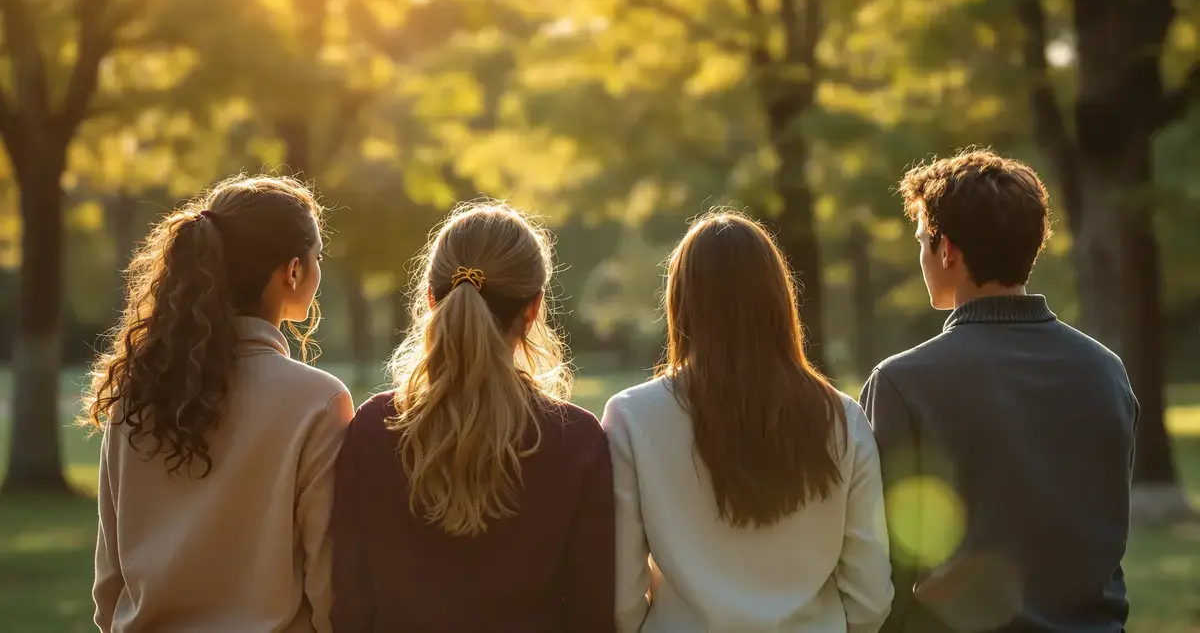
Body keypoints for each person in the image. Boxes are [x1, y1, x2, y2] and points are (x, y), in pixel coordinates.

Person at [860, 148, 1138, 633]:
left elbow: (886, 565)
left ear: (947, 250)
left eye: (923, 239)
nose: (922, 254)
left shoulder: (903, 384)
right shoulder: (1106, 372)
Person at [84, 175, 353, 633]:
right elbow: (327, 585)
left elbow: (110, 584)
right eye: (317, 257)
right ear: (292, 271)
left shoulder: (135, 391)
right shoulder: (319, 402)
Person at [331, 201, 615, 633]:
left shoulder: (374, 427)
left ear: (430, 299)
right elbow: (592, 612)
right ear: (534, 307)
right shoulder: (576, 440)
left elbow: (350, 601)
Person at [603, 210, 892, 633]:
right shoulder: (843, 417)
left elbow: (622, 598)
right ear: (778, 298)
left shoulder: (631, 417)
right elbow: (870, 596)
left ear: (681, 301)